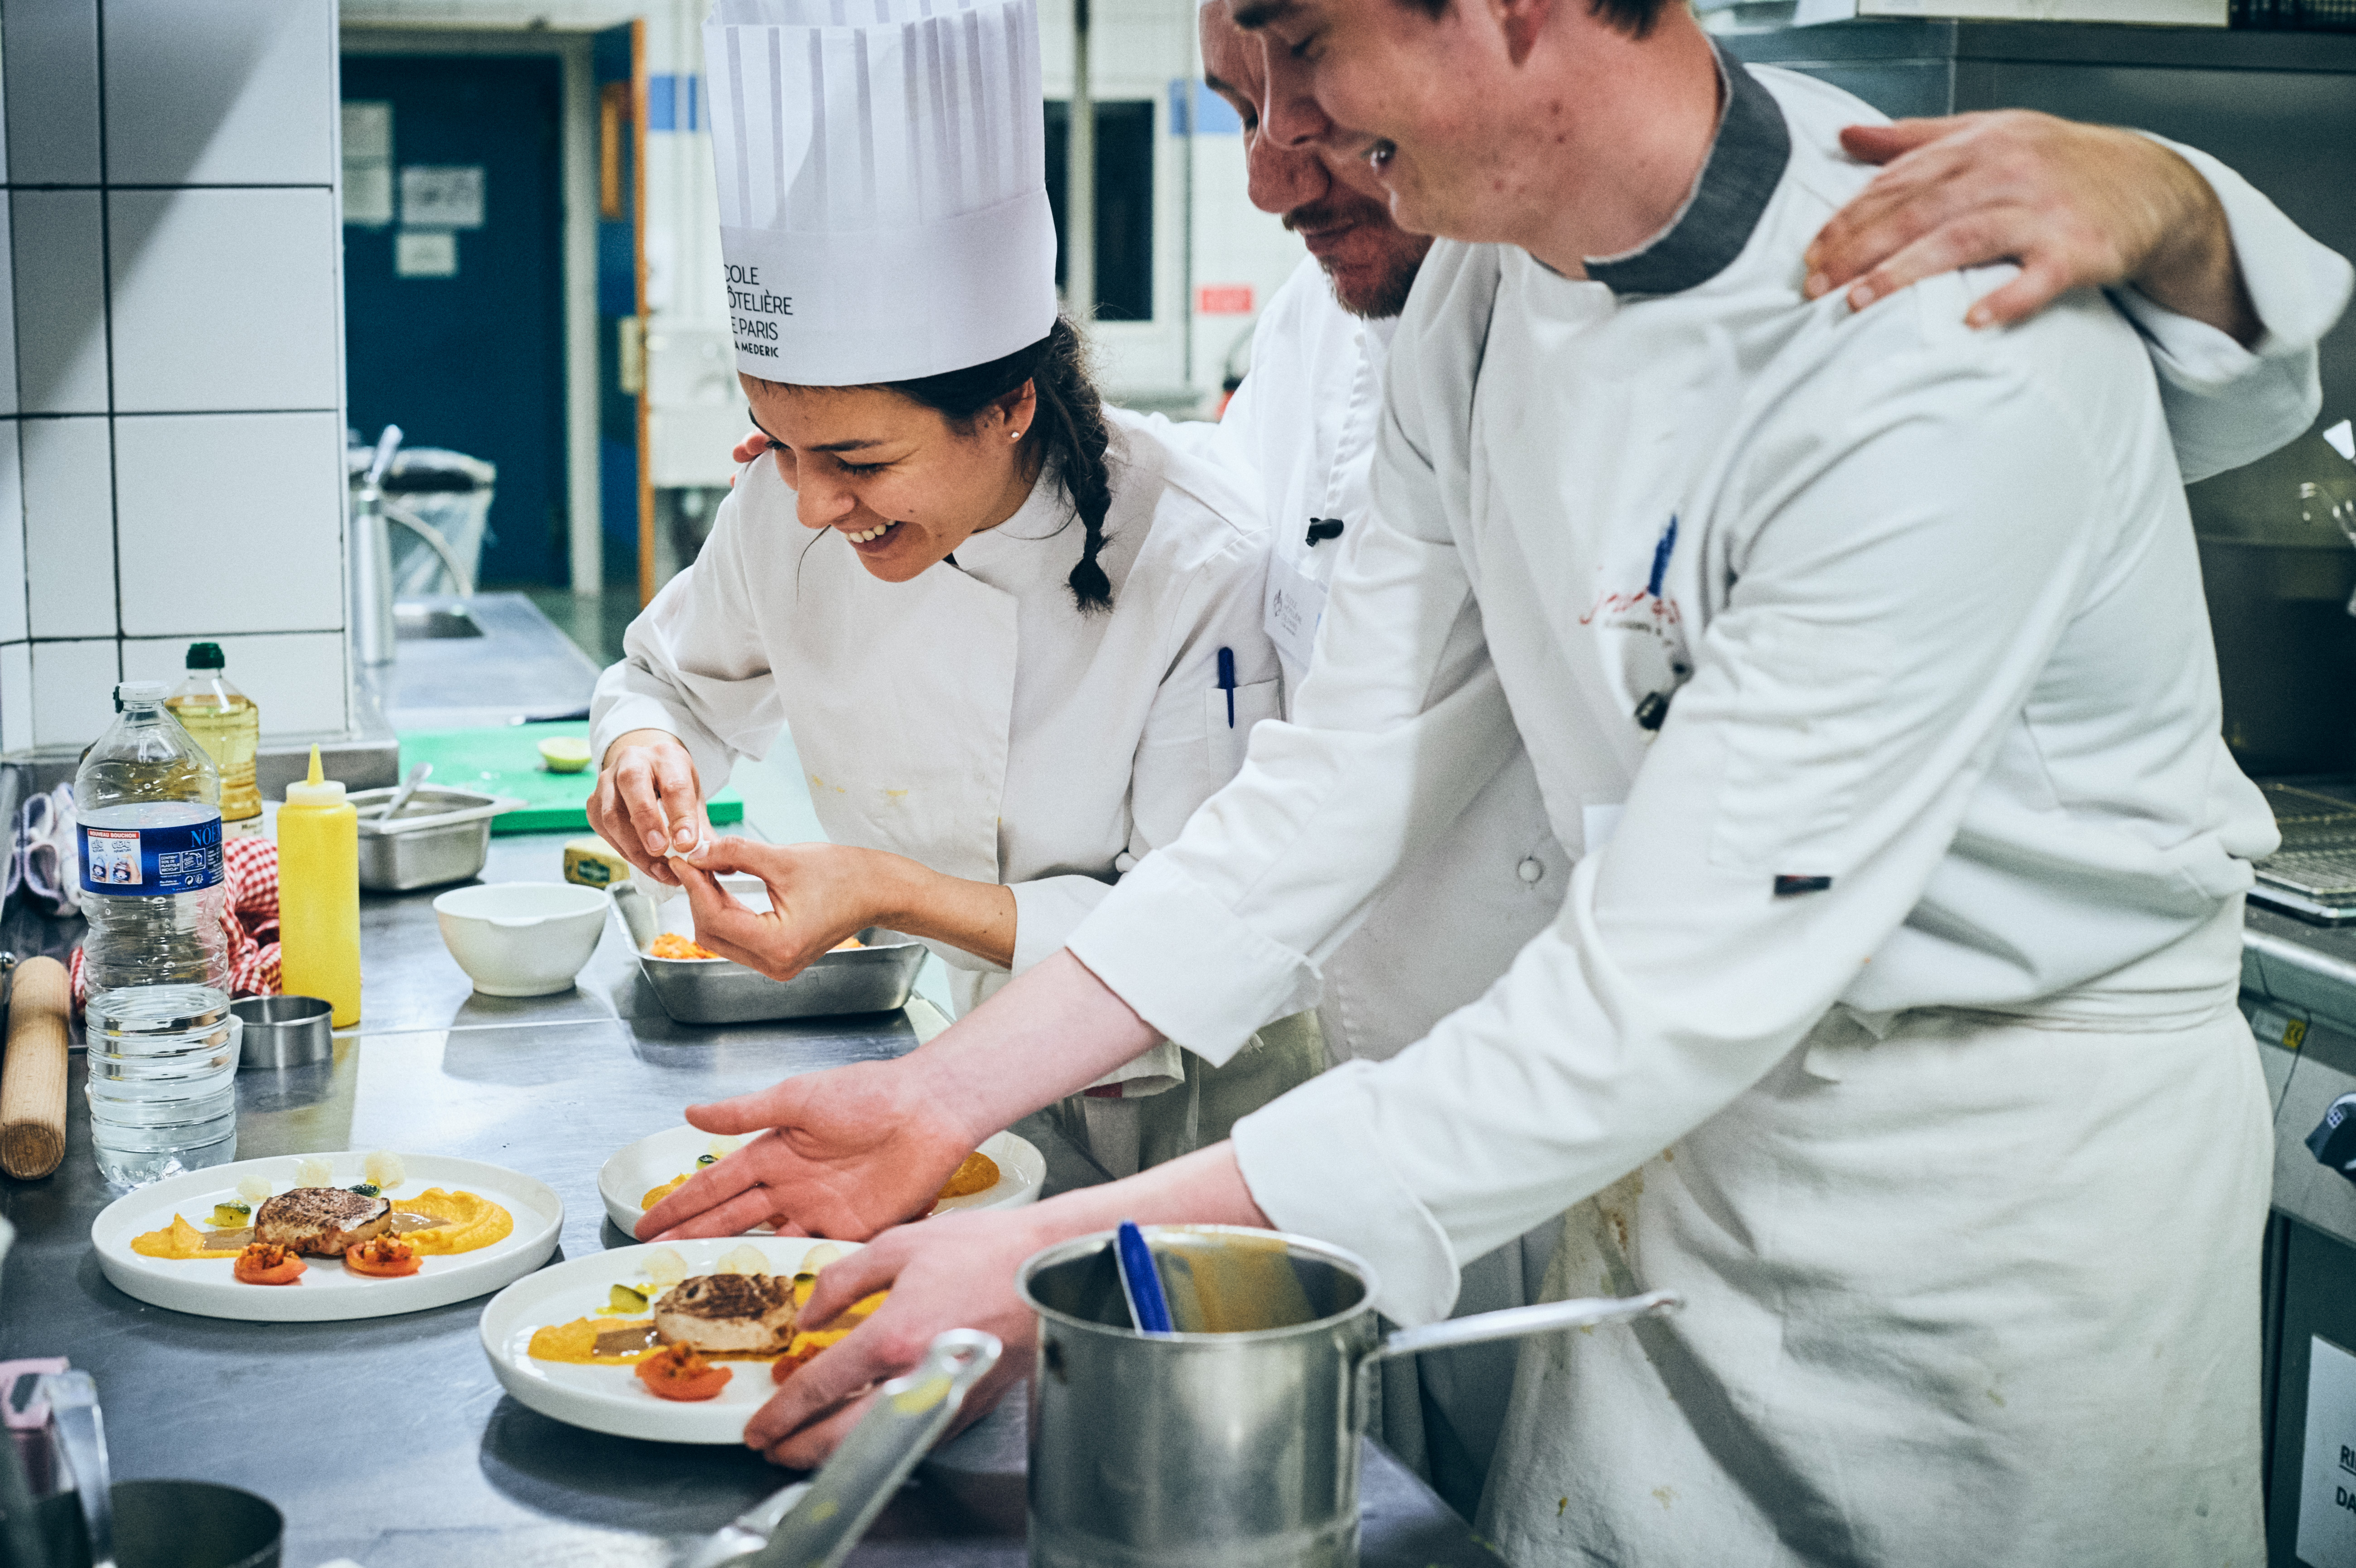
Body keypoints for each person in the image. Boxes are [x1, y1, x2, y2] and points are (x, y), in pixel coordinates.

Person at [589, 0, 1323, 1190]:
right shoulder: (787, 505)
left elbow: (1198, 924)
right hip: (948, 1064)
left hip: (1193, 1121)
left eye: (861, 463)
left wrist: (884, 890)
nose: (814, 505)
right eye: (777, 444)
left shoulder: (1195, 554)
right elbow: (666, 681)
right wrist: (642, 753)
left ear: (1008, 408)